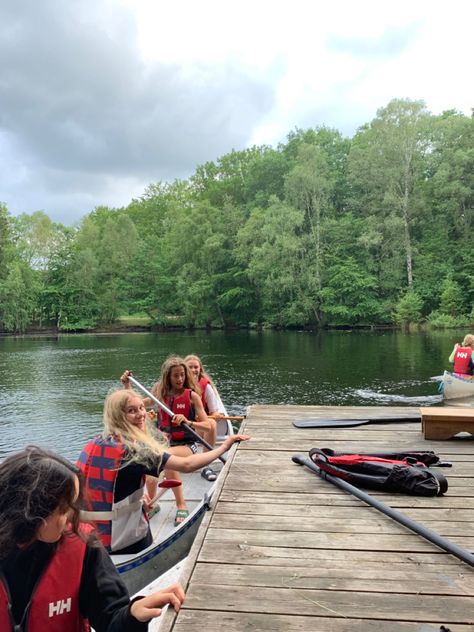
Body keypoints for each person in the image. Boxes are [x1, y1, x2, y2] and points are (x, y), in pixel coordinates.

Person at [0, 446, 185, 632]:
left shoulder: (83, 547)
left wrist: (133, 614)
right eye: (64, 509)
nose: (74, 516)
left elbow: (111, 620)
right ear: (30, 512)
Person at [78, 386, 249, 549]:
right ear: (118, 416)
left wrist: (138, 500)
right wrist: (224, 447)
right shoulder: (134, 452)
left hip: (89, 536)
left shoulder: (94, 443)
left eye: (141, 408)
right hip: (123, 541)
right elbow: (187, 465)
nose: (141, 414)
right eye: (132, 411)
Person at [184, 354, 227, 482]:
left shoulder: (206, 387)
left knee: (211, 422)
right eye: (190, 367)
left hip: (198, 428)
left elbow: (214, 413)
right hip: (182, 428)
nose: (193, 370)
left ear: (200, 369)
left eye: (196, 367)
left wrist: (206, 418)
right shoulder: (177, 386)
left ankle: (205, 465)